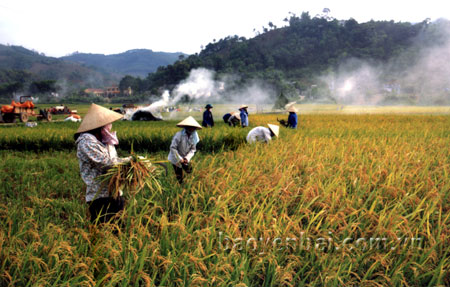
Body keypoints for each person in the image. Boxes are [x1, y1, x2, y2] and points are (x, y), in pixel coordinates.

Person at [75, 103, 128, 224]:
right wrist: (130, 161)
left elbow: (115, 160)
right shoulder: (86, 142)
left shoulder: (105, 142)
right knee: (103, 232)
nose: (110, 127)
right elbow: (108, 163)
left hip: (115, 192)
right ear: (99, 126)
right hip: (99, 196)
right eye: (107, 124)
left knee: (119, 231)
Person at [168, 116, 202, 184]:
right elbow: (173, 148)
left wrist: (186, 158)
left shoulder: (194, 137)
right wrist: (180, 159)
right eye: (189, 126)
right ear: (185, 127)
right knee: (179, 176)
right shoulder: (179, 135)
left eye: (193, 127)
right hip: (175, 158)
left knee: (189, 171)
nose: (191, 128)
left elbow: (193, 149)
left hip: (185, 158)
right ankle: (180, 187)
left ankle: (189, 184)